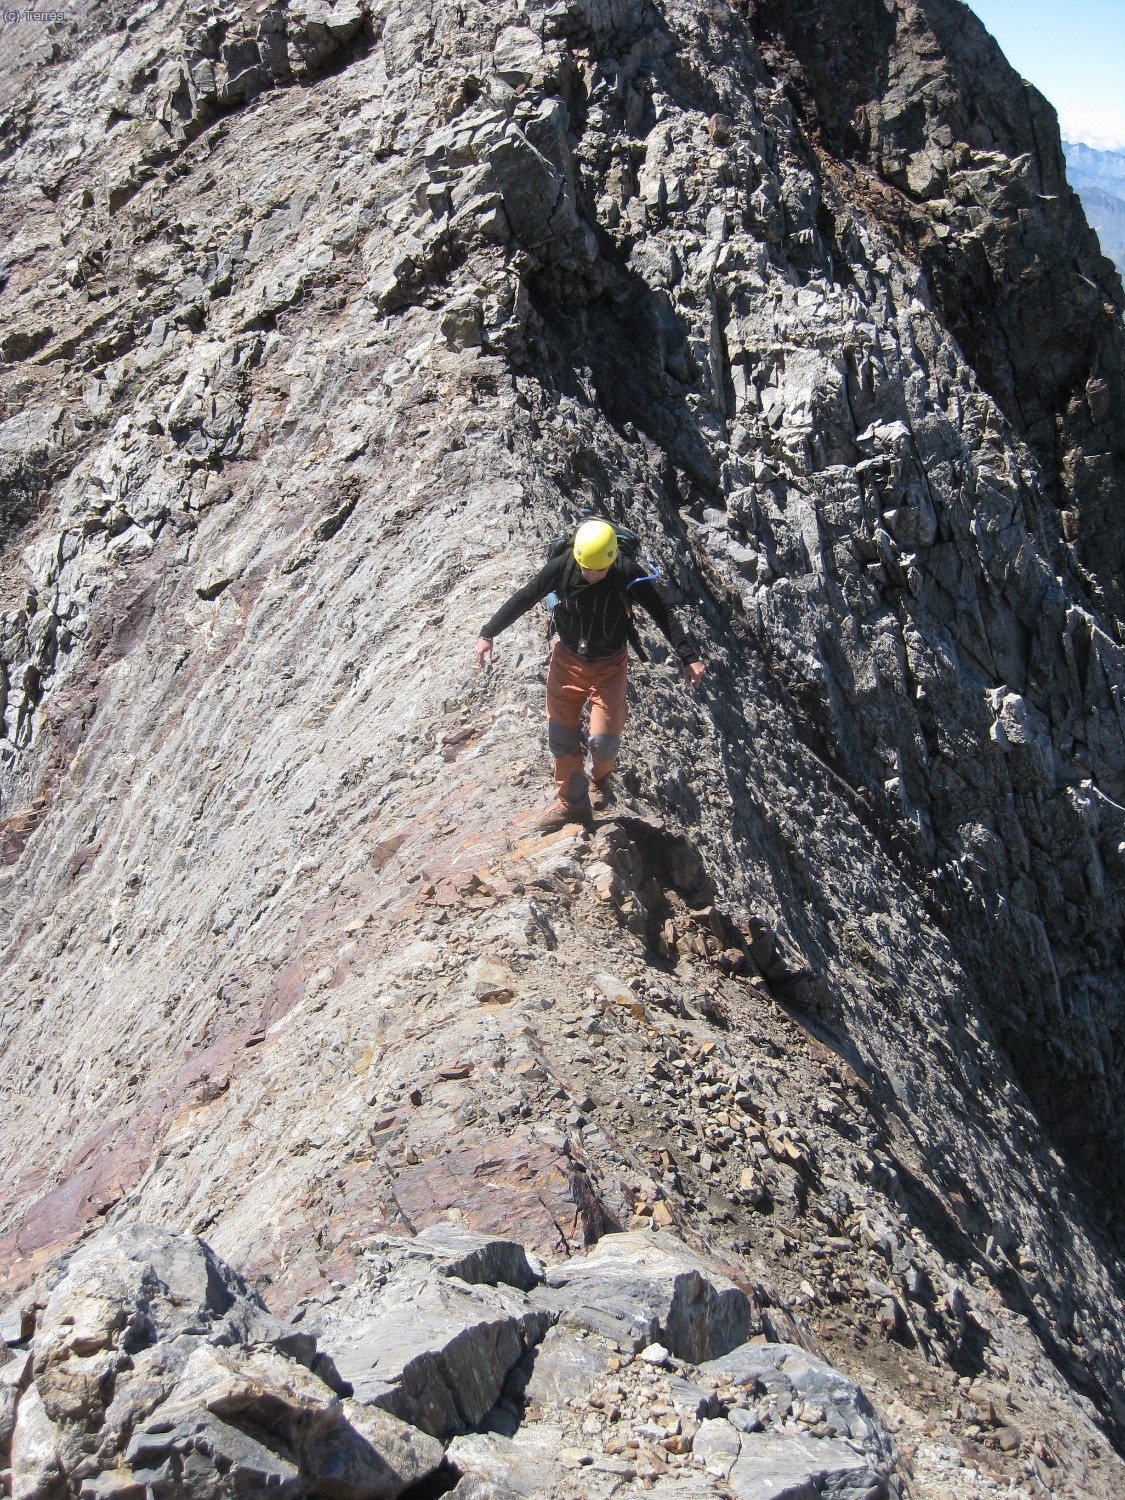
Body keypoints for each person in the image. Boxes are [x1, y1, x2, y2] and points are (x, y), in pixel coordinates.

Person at [475, 519, 706, 828]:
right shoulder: (563, 566)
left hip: (609, 667)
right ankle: (573, 804)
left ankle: (599, 782)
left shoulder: (627, 573)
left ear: (612, 559)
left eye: (598, 570)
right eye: (586, 568)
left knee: (603, 742)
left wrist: (688, 657)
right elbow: (526, 596)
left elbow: (662, 613)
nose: (591, 574)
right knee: (561, 738)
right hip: (566, 662)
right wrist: (488, 632)